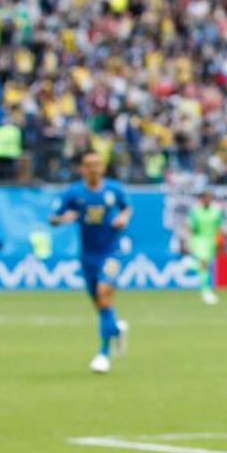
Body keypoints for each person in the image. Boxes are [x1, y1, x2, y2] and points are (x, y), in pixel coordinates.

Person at [49, 153, 130, 374]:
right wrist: (63, 219)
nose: (93, 169)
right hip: (88, 256)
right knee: (100, 305)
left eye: (97, 165)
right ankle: (115, 328)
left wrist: (124, 218)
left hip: (112, 253)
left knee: (104, 292)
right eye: (88, 166)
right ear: (82, 169)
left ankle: (103, 354)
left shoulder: (114, 190)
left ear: (103, 168)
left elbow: (126, 208)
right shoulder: (74, 193)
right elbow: (52, 218)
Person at [187, 189, 224, 305]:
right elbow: (192, 228)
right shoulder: (195, 211)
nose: (208, 200)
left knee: (205, 266)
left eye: (210, 197)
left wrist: (220, 242)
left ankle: (189, 265)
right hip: (199, 240)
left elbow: (219, 227)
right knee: (204, 264)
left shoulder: (216, 211)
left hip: (211, 242)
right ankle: (206, 291)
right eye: (205, 198)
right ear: (201, 199)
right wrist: (190, 242)